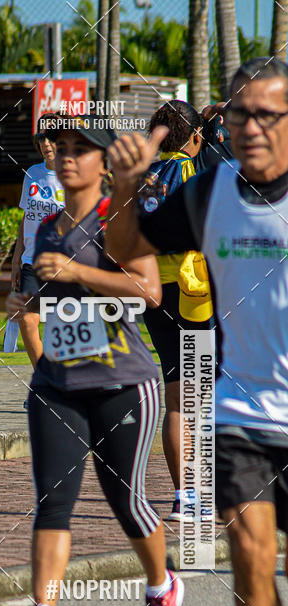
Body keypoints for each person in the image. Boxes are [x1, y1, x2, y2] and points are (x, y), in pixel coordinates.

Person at [106, 57, 288, 606]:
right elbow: (131, 249)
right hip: (242, 408)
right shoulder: (211, 193)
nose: (248, 128)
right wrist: (125, 188)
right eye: (237, 114)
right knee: (247, 549)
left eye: (266, 115)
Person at [1, 116, 185, 606]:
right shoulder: (50, 227)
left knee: (126, 501)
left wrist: (80, 276)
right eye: (62, 148)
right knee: (53, 503)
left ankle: (161, 587)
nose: (67, 156)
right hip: (59, 383)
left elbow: (148, 291)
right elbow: (39, 293)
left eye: (82, 150)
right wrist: (22, 305)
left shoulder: (119, 218)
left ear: (105, 165)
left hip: (122, 384)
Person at [138, 101, 221, 522]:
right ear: (193, 136)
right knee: (201, 398)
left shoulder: (144, 177)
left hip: (153, 291)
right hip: (194, 292)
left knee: (175, 396)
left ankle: (183, 497)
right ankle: (205, 492)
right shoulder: (194, 173)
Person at [4, 127, 65, 369]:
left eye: (51, 139)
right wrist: (16, 260)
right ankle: (44, 379)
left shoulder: (72, 174)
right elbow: (26, 218)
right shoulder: (32, 173)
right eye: (42, 140)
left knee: (60, 327)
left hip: (63, 262)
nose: (46, 144)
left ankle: (62, 386)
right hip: (31, 261)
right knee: (27, 320)